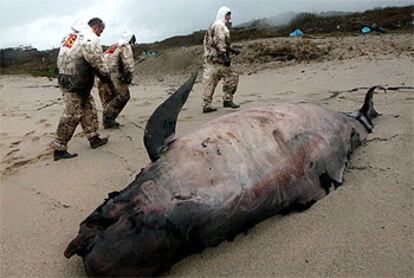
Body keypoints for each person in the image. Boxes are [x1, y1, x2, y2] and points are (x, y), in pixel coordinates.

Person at [50, 18, 115, 161]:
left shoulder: (70, 37)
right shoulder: (90, 38)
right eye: (101, 31)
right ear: (96, 27)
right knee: (72, 114)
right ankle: (59, 148)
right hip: (77, 81)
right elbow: (96, 61)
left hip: (66, 77)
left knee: (88, 108)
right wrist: (108, 81)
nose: (100, 35)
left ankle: (93, 138)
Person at [201, 6, 240, 113]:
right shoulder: (219, 26)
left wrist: (232, 50)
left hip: (210, 60)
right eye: (228, 15)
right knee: (232, 76)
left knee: (209, 82)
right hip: (219, 60)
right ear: (223, 15)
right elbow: (220, 42)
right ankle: (227, 99)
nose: (229, 17)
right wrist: (225, 57)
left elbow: (214, 42)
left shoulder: (214, 26)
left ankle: (206, 104)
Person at [97, 31, 136, 128]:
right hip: (114, 75)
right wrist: (129, 76)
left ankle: (108, 119)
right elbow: (128, 63)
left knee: (108, 98)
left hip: (102, 75)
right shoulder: (125, 46)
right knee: (123, 96)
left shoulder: (112, 47)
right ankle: (108, 119)